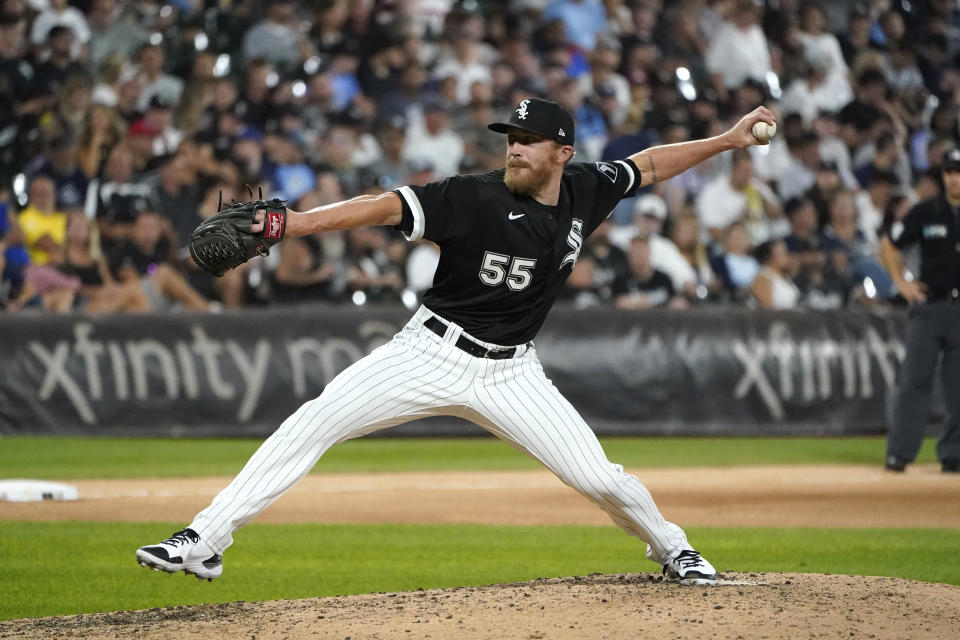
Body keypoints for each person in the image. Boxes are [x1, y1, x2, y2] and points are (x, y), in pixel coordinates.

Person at [136, 97, 777, 585]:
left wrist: (725, 140)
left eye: (529, 141)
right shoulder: (470, 197)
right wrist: (299, 222)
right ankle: (203, 539)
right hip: (427, 353)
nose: (515, 149)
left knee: (600, 478)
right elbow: (384, 205)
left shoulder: (587, 188)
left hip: (513, 375)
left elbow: (652, 164)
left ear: (562, 152)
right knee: (314, 421)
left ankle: (673, 549)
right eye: (511, 139)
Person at [880, 148, 960, 474]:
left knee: (959, 386)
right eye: (949, 171)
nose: (954, 177)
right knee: (914, 380)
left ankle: (954, 454)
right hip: (930, 306)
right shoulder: (927, 211)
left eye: (959, 171)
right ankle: (899, 453)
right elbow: (889, 244)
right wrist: (901, 282)